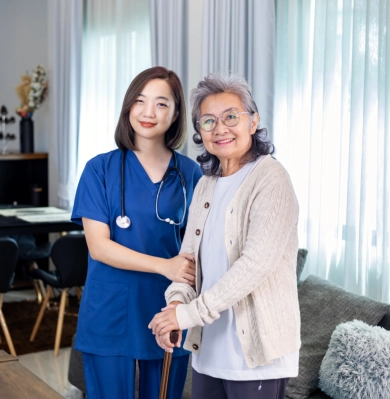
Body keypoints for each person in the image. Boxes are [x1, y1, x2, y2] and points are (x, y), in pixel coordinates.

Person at [149, 73, 301, 399]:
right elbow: (188, 260)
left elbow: (254, 266)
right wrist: (175, 306)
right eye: (208, 121)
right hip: (209, 352)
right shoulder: (207, 183)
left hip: (257, 359)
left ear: (253, 120)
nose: (220, 128)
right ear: (200, 132)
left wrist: (187, 314)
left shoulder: (271, 179)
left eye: (231, 116)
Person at [71, 66, 202, 399]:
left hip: (168, 308)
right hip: (110, 309)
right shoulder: (99, 169)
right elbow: (99, 247)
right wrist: (164, 265)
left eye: (161, 104)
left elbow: (199, 246)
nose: (148, 112)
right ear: (128, 107)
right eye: (140, 101)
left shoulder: (191, 174)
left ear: (175, 115)